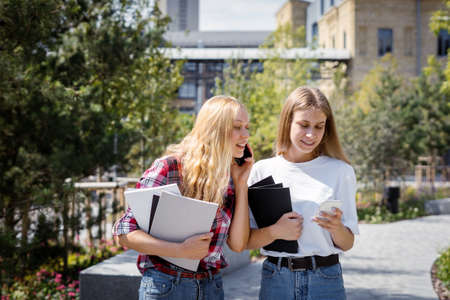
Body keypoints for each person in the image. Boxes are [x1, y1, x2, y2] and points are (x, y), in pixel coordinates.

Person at [113, 95, 253, 300]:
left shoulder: (231, 178)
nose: (246, 135)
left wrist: (241, 184)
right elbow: (124, 233)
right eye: (237, 127)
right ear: (214, 129)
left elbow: (239, 245)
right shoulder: (170, 168)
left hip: (211, 287)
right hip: (166, 286)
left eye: (247, 127)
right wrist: (180, 250)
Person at [246, 87, 359, 300]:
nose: (311, 134)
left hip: (326, 281)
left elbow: (348, 243)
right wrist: (275, 231)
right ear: (288, 121)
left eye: (319, 127)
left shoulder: (341, 171)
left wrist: (337, 228)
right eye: (304, 125)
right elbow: (246, 241)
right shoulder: (262, 170)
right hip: (277, 279)